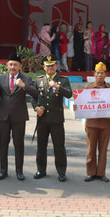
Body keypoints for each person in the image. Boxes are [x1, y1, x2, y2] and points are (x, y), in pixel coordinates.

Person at [0, 53, 39, 180]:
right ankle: (3, 170)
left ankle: (19, 171)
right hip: (3, 116)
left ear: (20, 66)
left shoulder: (26, 78)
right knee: (3, 144)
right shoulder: (0, 78)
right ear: (7, 65)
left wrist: (24, 86)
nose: (13, 67)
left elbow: (35, 94)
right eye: (11, 64)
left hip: (19, 117)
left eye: (15, 65)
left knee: (19, 144)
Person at [32, 54, 73, 182]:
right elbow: (33, 97)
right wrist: (36, 108)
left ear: (56, 66)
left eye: (52, 65)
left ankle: (61, 171)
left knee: (59, 147)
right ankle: (41, 169)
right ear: (44, 67)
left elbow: (69, 93)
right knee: (41, 146)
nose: (50, 68)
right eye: (47, 66)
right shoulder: (38, 80)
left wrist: (57, 86)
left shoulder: (63, 80)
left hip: (56, 120)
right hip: (42, 119)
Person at [79, 62, 110, 182]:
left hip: (105, 124)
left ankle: (101, 173)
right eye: (97, 72)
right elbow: (83, 104)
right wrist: (78, 107)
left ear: (106, 74)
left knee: (103, 149)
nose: (99, 75)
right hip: (91, 123)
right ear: (94, 74)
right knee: (91, 149)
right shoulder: (88, 87)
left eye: (102, 73)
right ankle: (91, 172)